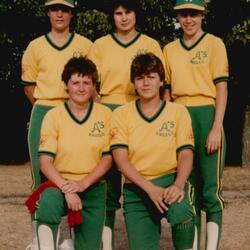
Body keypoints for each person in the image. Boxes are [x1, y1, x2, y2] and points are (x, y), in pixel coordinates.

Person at [88, 1, 167, 248]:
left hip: (141, 112)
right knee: (109, 185)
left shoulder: (151, 44)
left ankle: (146, 229)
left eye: (128, 12)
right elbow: (91, 84)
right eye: (118, 13)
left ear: (136, 14)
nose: (123, 18)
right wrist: (101, 108)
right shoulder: (100, 45)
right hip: (109, 112)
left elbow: (164, 87)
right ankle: (107, 244)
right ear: (112, 16)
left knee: (141, 175)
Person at [21, 0, 92, 248]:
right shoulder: (35, 46)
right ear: (48, 12)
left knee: (76, 172)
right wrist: (48, 110)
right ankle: (39, 238)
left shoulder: (85, 45)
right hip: (44, 110)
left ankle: (73, 237)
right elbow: (29, 85)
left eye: (64, 9)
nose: (59, 14)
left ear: (71, 13)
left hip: (78, 111)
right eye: (54, 9)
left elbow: (92, 84)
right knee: (41, 177)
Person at [110, 52, 195, 250]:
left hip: (169, 180)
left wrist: (178, 184)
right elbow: (121, 161)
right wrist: (150, 189)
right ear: (134, 82)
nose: (145, 83)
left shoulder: (178, 111)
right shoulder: (121, 114)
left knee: (183, 213)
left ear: (161, 81)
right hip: (137, 188)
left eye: (151, 77)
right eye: (140, 78)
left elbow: (185, 154)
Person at [163, 0, 229, 249]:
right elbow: (166, 93)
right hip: (179, 114)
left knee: (210, 191)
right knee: (187, 189)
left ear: (202, 15)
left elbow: (221, 88)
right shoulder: (169, 49)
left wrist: (215, 127)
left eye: (194, 14)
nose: (188, 20)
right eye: (183, 15)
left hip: (206, 114)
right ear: (177, 18)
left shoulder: (214, 44)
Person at [29, 55, 112, 250]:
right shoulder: (53, 116)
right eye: (75, 82)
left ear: (94, 86)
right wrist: (68, 188)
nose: (81, 88)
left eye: (86, 82)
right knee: (48, 203)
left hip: (93, 186)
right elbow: (45, 162)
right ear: (66, 85)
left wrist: (83, 184)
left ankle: (69, 246)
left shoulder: (106, 115)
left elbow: (108, 159)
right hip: (59, 184)